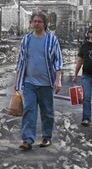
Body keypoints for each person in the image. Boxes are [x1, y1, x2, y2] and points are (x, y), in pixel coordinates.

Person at [14, 11, 63, 150]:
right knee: (29, 109)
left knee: (47, 111)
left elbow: (58, 61)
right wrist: (17, 81)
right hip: (29, 82)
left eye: (39, 21)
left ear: (45, 24)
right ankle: (28, 140)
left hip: (46, 83)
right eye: (34, 21)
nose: (36, 24)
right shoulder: (27, 40)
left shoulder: (52, 40)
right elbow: (21, 61)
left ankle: (47, 137)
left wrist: (58, 80)